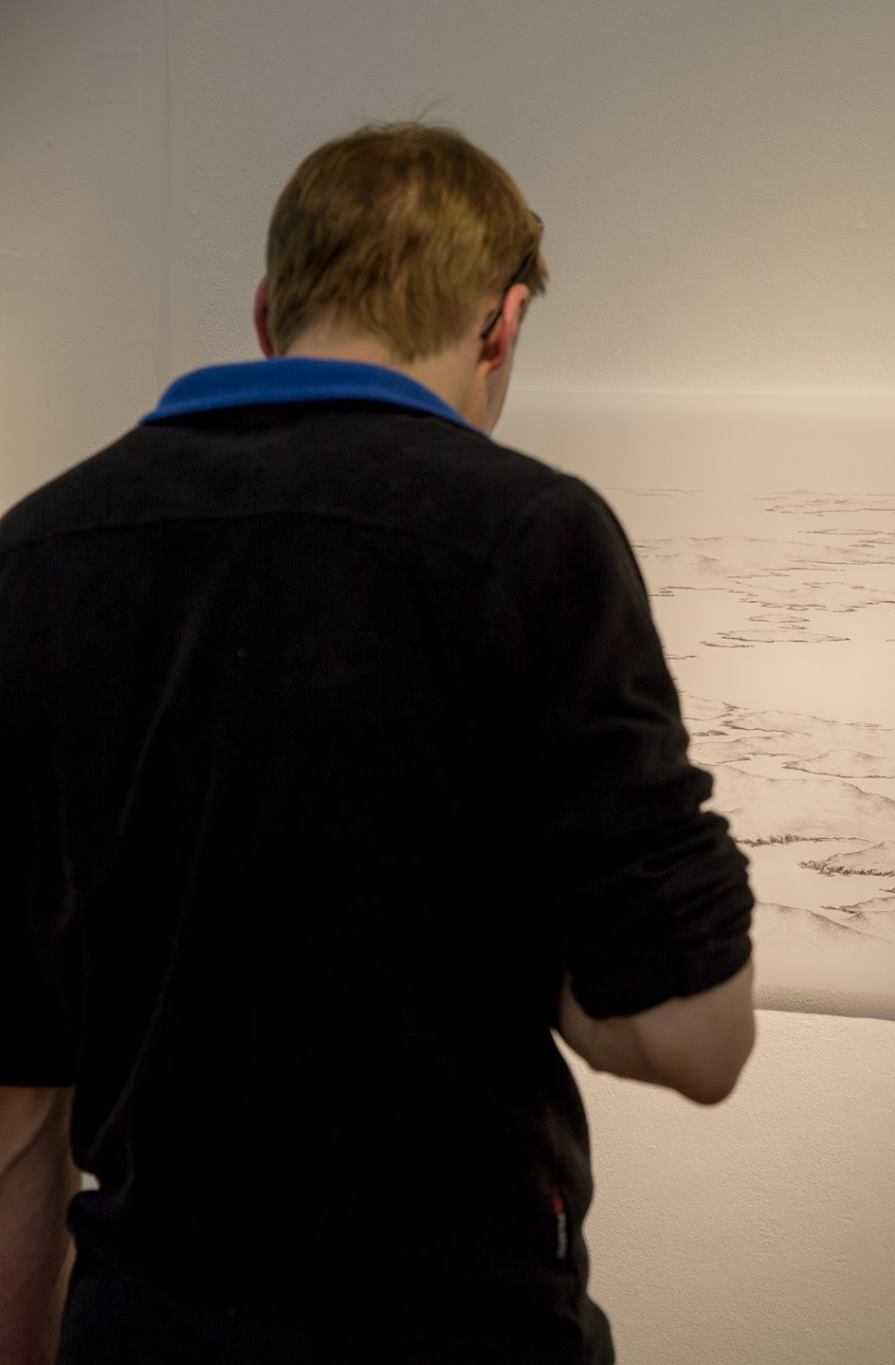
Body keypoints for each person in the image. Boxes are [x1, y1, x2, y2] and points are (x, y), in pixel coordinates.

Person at [0, 122, 757, 1365]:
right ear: (502, 324)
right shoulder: (531, 538)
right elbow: (699, 1039)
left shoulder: (34, 554)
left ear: (265, 315)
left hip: (146, 1331)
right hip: (457, 1326)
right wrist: (518, 936)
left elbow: (19, 1109)